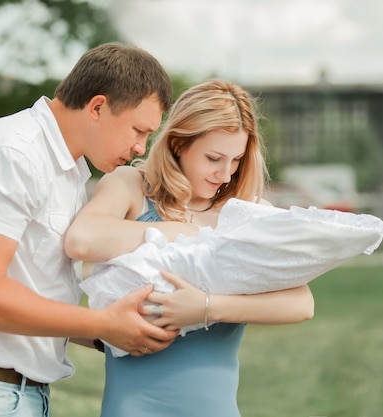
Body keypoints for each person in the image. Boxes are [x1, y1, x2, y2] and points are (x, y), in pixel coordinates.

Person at [0, 42, 188, 417]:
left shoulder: (66, 173)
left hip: (5, 396)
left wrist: (126, 330)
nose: (140, 148)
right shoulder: (11, 153)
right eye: (139, 130)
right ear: (98, 107)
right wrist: (104, 323)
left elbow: (34, 295)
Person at [65, 79, 315, 416]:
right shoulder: (131, 187)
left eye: (236, 160)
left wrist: (206, 308)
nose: (225, 174)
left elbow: (301, 303)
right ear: (179, 143)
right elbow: (82, 240)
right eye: (214, 158)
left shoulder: (244, 214)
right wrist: (177, 231)